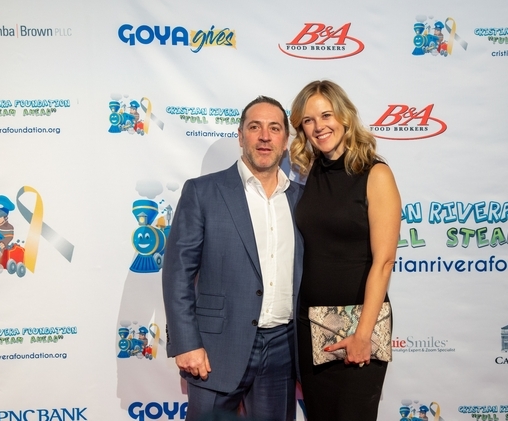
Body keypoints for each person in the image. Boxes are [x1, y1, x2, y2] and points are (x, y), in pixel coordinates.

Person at [162, 96, 304, 421]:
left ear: (285, 141)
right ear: (240, 136)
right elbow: (178, 274)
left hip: (283, 349)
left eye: (274, 128)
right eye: (255, 127)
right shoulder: (203, 192)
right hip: (215, 349)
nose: (264, 136)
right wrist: (185, 343)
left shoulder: (301, 199)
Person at [289, 80, 401, 421]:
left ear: (345, 117)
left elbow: (384, 262)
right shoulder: (309, 173)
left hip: (359, 326)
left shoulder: (375, 174)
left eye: (326, 115)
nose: (319, 126)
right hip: (312, 327)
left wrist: (362, 335)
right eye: (309, 120)